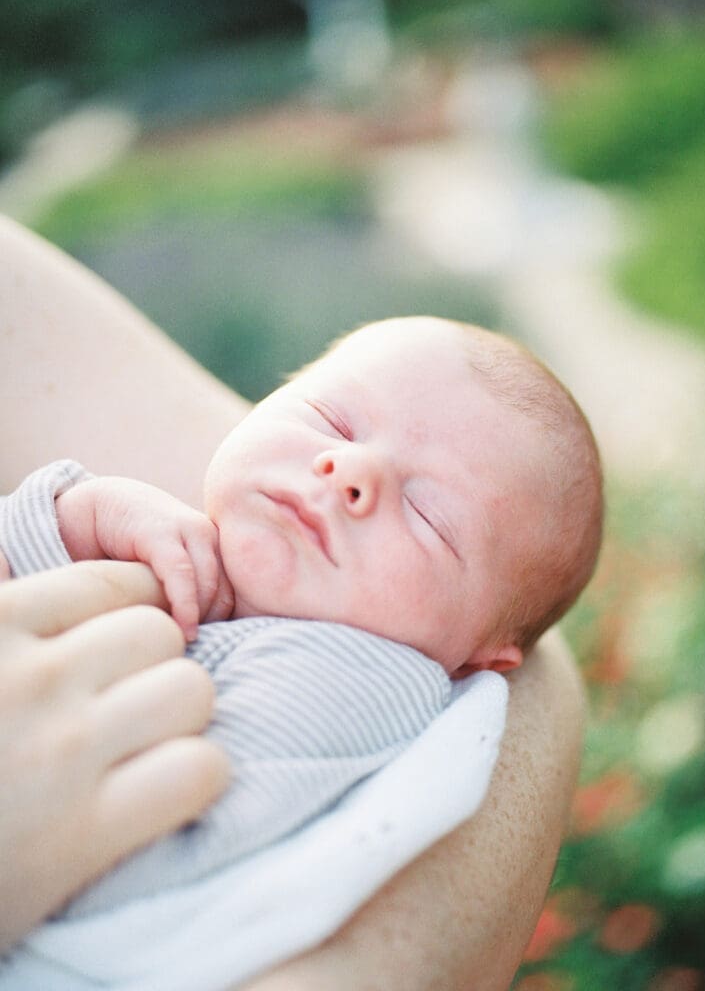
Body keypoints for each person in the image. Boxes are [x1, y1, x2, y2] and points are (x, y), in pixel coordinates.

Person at [0, 214, 587, 988]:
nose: (351, 469)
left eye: (431, 518)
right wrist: (79, 515)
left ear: (485, 656)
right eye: (329, 419)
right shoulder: (171, 540)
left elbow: (170, 824)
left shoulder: (372, 681)